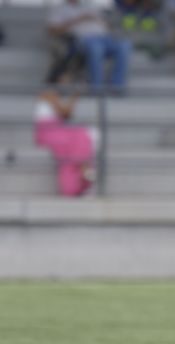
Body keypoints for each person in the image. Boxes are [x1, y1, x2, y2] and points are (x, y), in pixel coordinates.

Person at [34, 68, 96, 197]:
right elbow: (64, 112)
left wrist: (76, 95)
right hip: (47, 132)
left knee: (82, 134)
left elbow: (67, 115)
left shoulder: (57, 95)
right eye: (65, 79)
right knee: (77, 136)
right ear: (57, 79)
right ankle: (83, 176)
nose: (67, 82)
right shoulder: (48, 93)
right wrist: (76, 94)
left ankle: (85, 175)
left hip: (57, 128)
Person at [46, 0, 132, 93]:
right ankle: (97, 88)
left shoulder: (91, 6)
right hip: (83, 39)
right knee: (96, 48)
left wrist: (103, 25)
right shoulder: (59, 9)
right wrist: (79, 19)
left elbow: (105, 24)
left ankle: (117, 86)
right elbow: (52, 30)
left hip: (105, 38)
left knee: (125, 45)